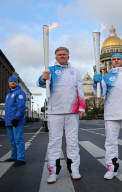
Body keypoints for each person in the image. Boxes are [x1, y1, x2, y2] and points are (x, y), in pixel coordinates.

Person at [37, 47, 86, 183]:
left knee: (73, 142)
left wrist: (82, 107)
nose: (62, 56)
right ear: (56, 57)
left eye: (64, 54)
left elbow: (80, 91)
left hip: (72, 112)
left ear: (68, 57)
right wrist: (43, 78)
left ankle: (74, 169)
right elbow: (40, 84)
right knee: (54, 142)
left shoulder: (75, 72)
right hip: (55, 111)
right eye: (59, 55)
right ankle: (54, 171)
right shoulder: (50, 70)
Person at [4, 76, 27, 167]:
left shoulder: (20, 93)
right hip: (9, 120)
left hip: (16, 120)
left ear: (17, 83)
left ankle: (21, 159)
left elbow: (21, 107)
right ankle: (14, 156)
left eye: (14, 81)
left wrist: (17, 118)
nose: (13, 82)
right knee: (12, 140)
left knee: (18, 140)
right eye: (11, 81)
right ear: (8, 83)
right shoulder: (8, 94)